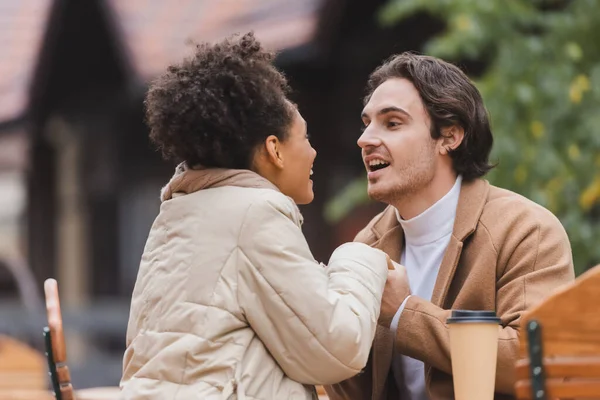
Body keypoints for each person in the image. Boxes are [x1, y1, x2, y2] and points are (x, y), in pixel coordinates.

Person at [119, 32, 393, 399]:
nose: (313, 153)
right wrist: (357, 257)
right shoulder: (254, 213)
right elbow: (336, 348)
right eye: (306, 138)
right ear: (274, 150)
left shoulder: (177, 213)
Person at [325, 53, 575, 400]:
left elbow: (536, 364)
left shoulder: (526, 230)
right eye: (366, 123)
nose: (365, 139)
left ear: (450, 136)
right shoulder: (368, 245)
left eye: (392, 123)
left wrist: (404, 312)